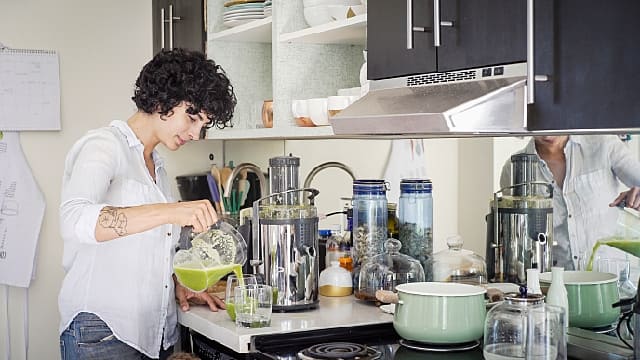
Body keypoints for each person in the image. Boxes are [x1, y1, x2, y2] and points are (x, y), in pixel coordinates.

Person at [58, 49, 237, 360]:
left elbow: (146, 247)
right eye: (192, 117)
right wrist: (173, 211)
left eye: (203, 125)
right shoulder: (103, 146)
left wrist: (175, 285)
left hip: (154, 333)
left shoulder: (157, 164)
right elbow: (74, 219)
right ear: (161, 101)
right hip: (102, 333)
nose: (196, 133)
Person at [500, 135, 640, 270]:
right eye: (539, 125)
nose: (548, 134)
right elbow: (517, 236)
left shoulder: (604, 144)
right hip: (555, 282)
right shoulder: (514, 168)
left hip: (612, 279)